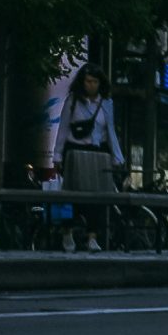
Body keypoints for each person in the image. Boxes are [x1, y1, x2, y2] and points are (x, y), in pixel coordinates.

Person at [51, 66, 120, 252]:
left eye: (95, 82)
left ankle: (92, 237)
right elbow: (63, 128)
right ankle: (68, 233)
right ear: (82, 82)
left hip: (97, 152)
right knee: (72, 194)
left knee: (96, 198)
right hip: (75, 151)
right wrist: (57, 155)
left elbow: (110, 131)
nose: (91, 85)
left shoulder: (106, 103)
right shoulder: (72, 101)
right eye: (88, 81)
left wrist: (117, 158)